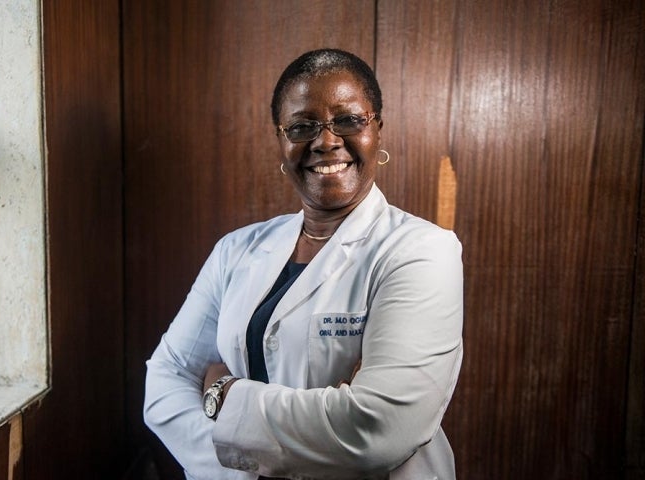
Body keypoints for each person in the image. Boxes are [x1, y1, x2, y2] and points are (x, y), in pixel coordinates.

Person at [144, 48, 463, 480]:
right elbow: (164, 382)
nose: (326, 141)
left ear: (378, 132)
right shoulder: (236, 250)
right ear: (282, 142)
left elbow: (379, 429)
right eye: (302, 126)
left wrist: (225, 393)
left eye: (348, 120)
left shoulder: (420, 251)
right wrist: (245, 472)